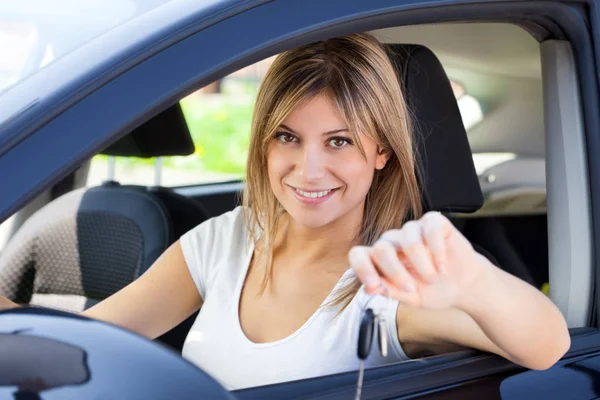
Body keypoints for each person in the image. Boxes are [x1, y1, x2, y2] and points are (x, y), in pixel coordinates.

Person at [0, 33, 569, 390]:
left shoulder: (389, 289)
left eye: (339, 142)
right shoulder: (226, 239)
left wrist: (472, 281)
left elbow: (547, 346)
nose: (308, 169)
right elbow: (80, 340)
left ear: (381, 151)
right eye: (287, 137)